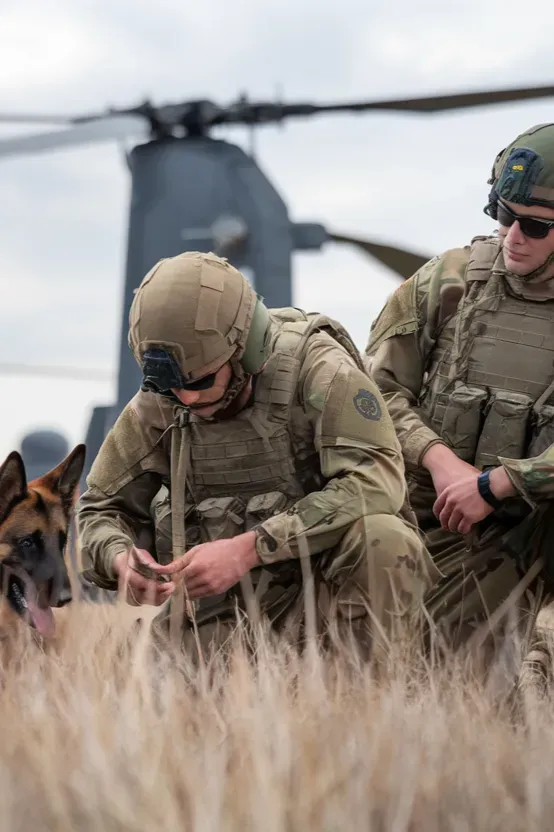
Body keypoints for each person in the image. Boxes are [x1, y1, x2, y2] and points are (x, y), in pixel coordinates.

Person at [76, 250, 437, 661]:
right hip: (219, 620)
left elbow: (376, 483)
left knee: (384, 541)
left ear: (245, 350)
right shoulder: (166, 398)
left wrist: (248, 549)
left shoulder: (319, 371)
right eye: (171, 386)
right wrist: (119, 557)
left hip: (326, 608)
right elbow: (101, 507)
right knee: (133, 705)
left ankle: (366, 699)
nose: (187, 397)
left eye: (202, 381)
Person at [364, 123, 554, 661]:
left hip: (537, 514)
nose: (513, 236)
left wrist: (500, 484)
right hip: (450, 511)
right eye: (503, 215)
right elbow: (374, 395)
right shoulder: (447, 280)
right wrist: (441, 461)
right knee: (417, 667)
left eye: (536, 226)